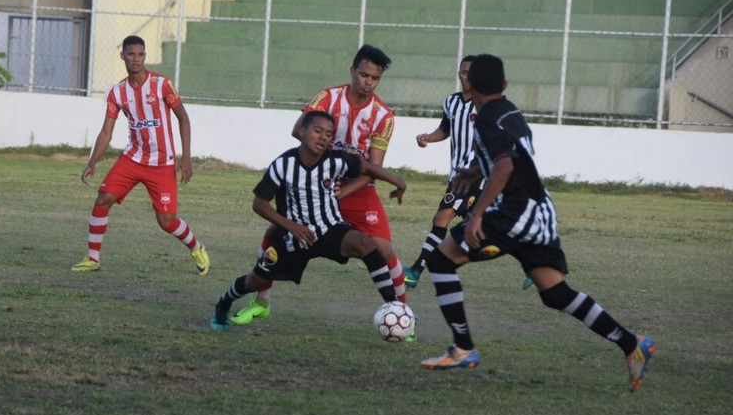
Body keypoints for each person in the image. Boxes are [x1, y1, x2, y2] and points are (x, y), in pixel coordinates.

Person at [418, 54, 655, 393]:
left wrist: (479, 213)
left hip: (512, 213)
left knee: (441, 259)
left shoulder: (485, 119)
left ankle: (463, 347)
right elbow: (514, 157)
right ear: (504, 86)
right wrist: (475, 171)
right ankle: (632, 343)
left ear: (469, 85)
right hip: (540, 211)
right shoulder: (511, 111)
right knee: (555, 293)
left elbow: (505, 167)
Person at [231, 45, 413, 335]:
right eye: (364, 74)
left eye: (375, 78)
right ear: (353, 71)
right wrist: (326, 160)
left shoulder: (384, 116)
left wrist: (341, 193)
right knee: (273, 234)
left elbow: (371, 169)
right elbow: (297, 131)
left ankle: (403, 314)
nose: (368, 82)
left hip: (356, 185)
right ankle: (261, 301)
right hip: (316, 181)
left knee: (384, 249)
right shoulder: (327, 98)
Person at [210, 110, 407, 331]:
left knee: (366, 244)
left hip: (330, 229)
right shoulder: (283, 165)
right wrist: (291, 227)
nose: (323, 137)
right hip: (293, 238)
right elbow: (259, 203)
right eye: (318, 131)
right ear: (302, 131)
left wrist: (399, 182)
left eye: (329, 134)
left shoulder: (336, 161)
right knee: (256, 281)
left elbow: (367, 166)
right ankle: (223, 303)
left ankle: (394, 306)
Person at [72, 35, 210, 276]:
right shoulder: (117, 93)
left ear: (144, 56)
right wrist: (92, 162)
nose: (136, 59)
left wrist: (185, 156)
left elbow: (183, 118)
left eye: (140, 54)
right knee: (103, 198)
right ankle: (93, 258)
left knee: (166, 221)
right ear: (123, 56)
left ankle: (196, 247)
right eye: (131, 54)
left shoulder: (161, 85)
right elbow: (106, 132)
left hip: (163, 163)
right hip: (133, 158)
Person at [406, 56, 533, 291]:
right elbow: (445, 129)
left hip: (474, 175)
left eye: (472, 73)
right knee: (483, 229)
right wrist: (428, 138)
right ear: (459, 75)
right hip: (458, 174)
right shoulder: (452, 103)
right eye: (464, 72)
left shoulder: (488, 106)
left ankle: (415, 271)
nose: (468, 77)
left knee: (441, 219)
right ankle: (531, 262)